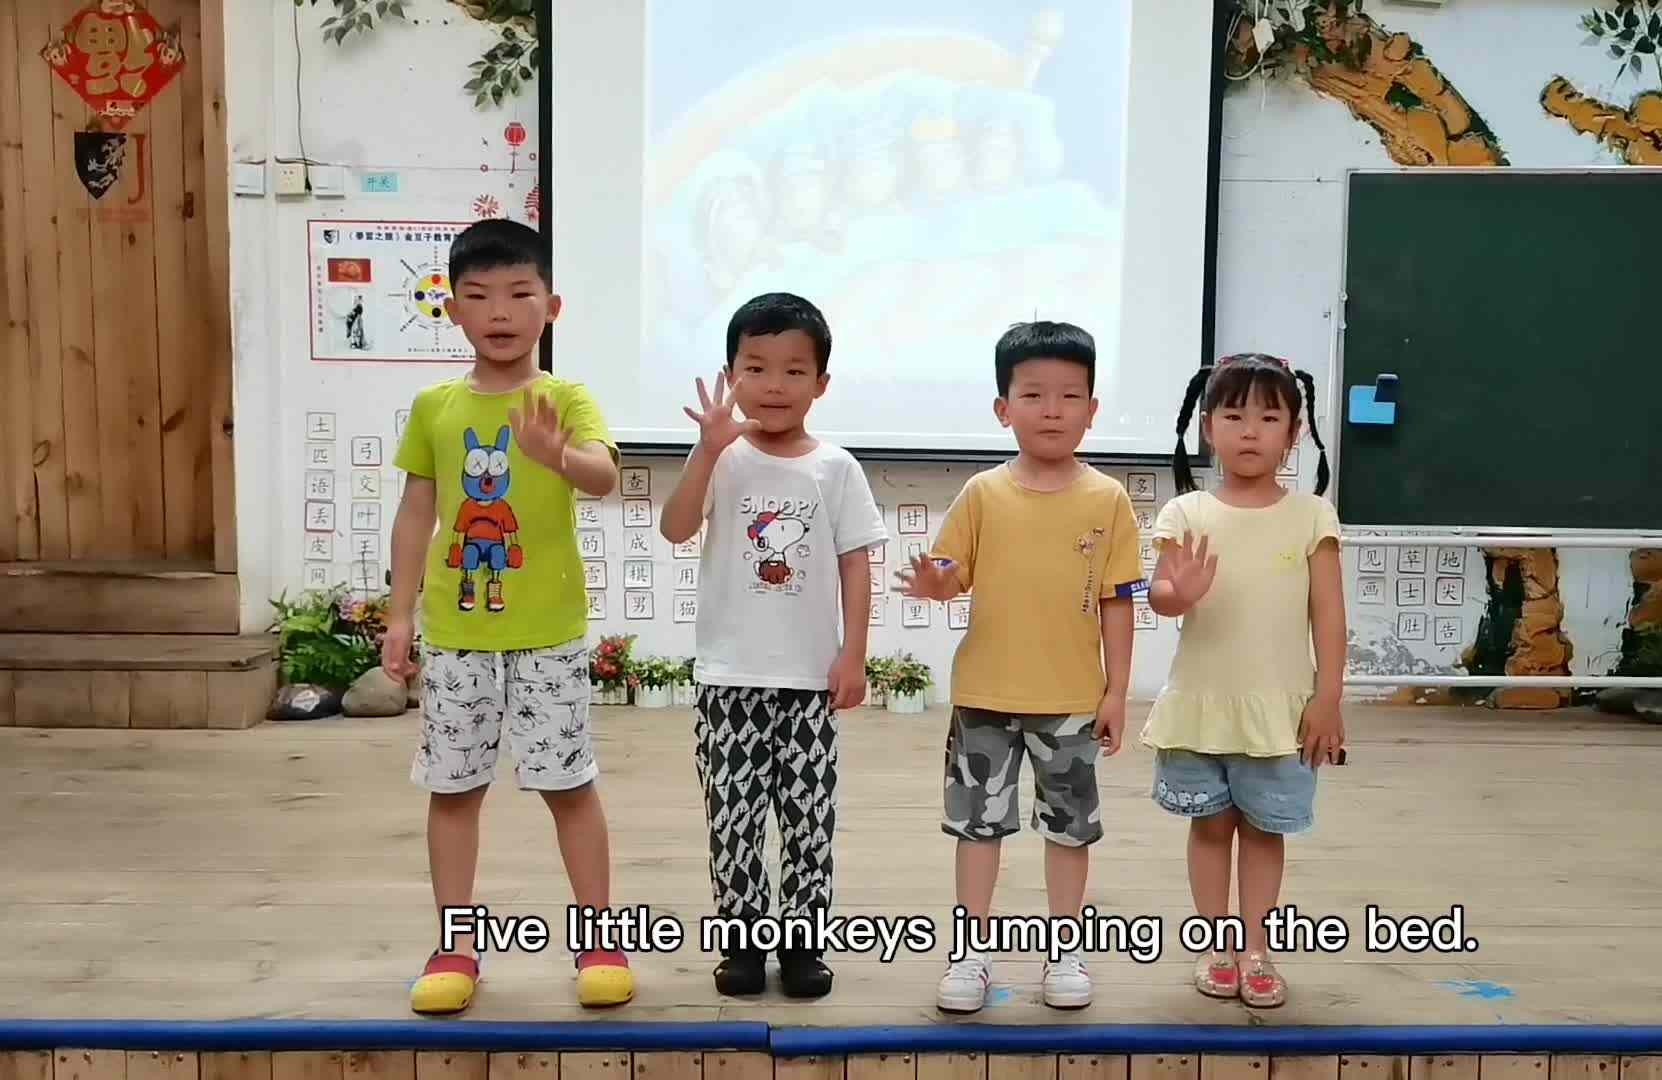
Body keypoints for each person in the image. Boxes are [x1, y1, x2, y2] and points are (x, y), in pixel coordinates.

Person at [382, 218, 630, 1015]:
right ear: (452, 310)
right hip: (457, 640)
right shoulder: (434, 406)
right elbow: (416, 513)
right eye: (479, 295)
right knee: (453, 791)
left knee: (568, 785)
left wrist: (556, 454)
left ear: (550, 305)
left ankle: (599, 936)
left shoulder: (565, 398)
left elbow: (603, 478)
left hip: (548, 635)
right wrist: (398, 616)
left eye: (519, 293)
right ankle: (455, 944)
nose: (500, 310)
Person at [896, 321, 1142, 1013]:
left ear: (1093, 410)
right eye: (1033, 394)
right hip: (985, 697)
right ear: (1003, 408)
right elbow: (951, 569)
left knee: (1069, 831)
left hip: (1070, 699)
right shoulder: (982, 493)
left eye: (1070, 395)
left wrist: (1118, 689)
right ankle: (969, 953)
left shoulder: (1108, 500)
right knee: (977, 828)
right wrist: (935, 582)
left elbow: (1119, 602)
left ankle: (1065, 948)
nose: (1053, 409)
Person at [658, 292, 887, 999]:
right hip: (728, 679)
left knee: (808, 821)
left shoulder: (836, 468)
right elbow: (674, 527)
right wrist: (706, 448)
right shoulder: (723, 461)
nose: (775, 386)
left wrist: (854, 654)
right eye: (756, 368)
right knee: (733, 820)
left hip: (810, 682)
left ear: (820, 383)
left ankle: (802, 946)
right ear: (730, 377)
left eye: (794, 371)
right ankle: (742, 945)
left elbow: (856, 561)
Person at [1143, 353, 1346, 1009]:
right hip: (1202, 705)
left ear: (1293, 433)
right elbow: (1161, 596)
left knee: (1264, 830)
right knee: (1208, 827)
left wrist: (1328, 698)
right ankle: (1216, 945)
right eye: (1234, 415)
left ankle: (1257, 949)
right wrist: (1180, 590)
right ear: (1209, 428)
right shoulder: (1187, 511)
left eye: (1268, 416)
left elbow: (1329, 613)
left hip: (1279, 711)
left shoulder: (1311, 515)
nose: (1250, 430)